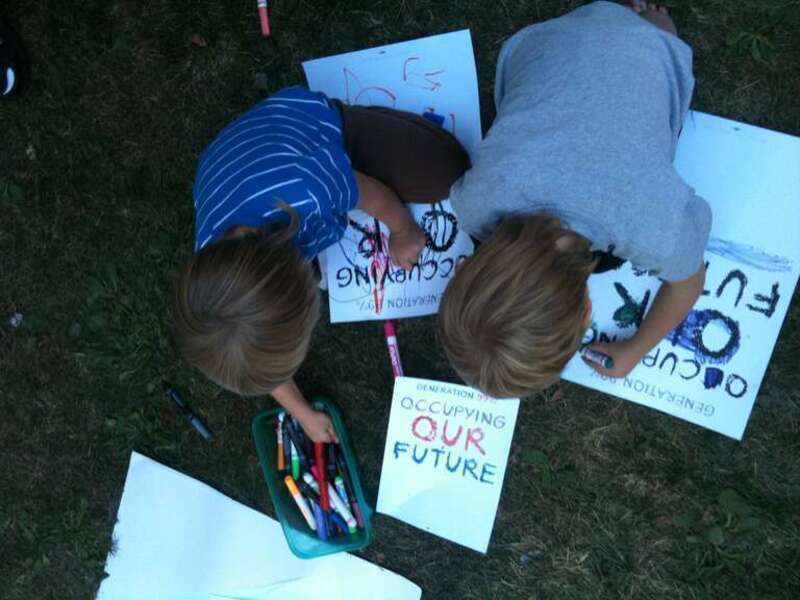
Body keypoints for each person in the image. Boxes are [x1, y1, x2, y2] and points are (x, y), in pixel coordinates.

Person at [438, 1, 711, 398]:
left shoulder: (654, 229)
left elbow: (688, 282)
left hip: (644, 46)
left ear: (587, 312)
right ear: (463, 268)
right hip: (542, 43)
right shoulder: (474, 204)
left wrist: (637, 349)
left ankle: (652, 21)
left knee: (658, 31)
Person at [174, 86, 469, 441]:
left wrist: (403, 229)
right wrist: (301, 413)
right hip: (233, 169)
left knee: (449, 171)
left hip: (310, 131)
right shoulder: (218, 269)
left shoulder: (310, 189)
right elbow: (257, 353)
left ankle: (362, 121)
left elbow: (369, 193)